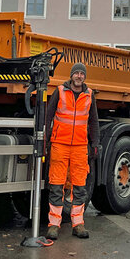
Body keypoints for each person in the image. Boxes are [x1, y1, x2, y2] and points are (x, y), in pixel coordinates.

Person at [45, 62, 99, 240]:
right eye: (76, 73)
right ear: (71, 76)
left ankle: (78, 224)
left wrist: (95, 143)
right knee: (56, 184)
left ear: (84, 77)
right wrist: (45, 139)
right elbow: (48, 116)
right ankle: (54, 225)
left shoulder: (89, 95)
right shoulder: (60, 91)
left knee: (80, 186)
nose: (79, 76)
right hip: (60, 144)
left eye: (81, 74)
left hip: (80, 147)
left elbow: (93, 122)